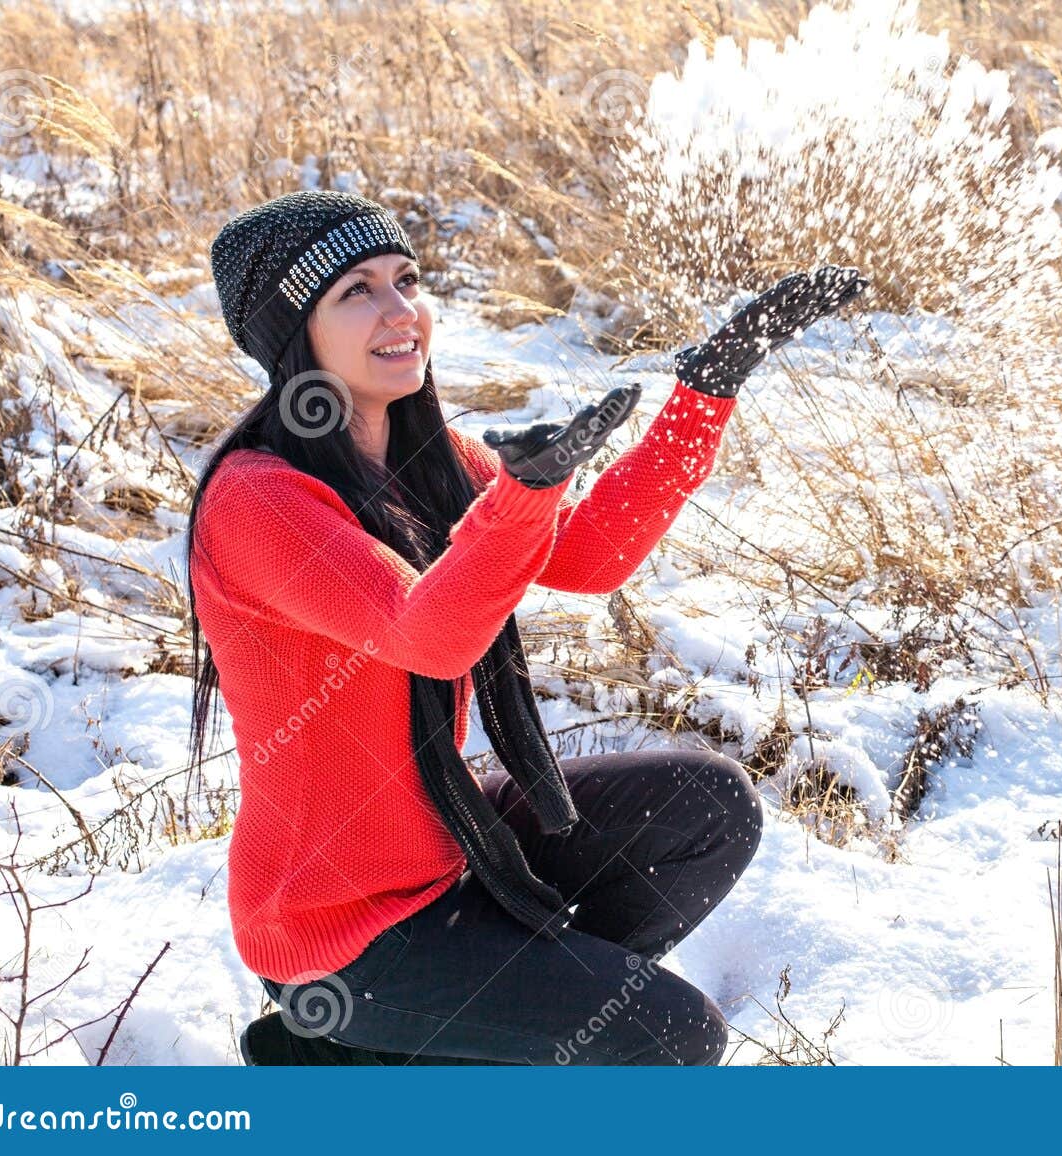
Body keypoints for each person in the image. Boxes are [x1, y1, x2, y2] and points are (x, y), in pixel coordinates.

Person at [185, 189, 867, 1064]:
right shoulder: (258, 499)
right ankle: (351, 1055)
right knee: (675, 1038)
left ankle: (473, 1038)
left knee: (706, 804)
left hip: (453, 853)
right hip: (340, 934)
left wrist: (706, 389)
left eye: (407, 278)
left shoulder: (421, 454)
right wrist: (526, 492)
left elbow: (587, 556)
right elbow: (428, 632)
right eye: (356, 291)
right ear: (295, 333)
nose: (401, 313)